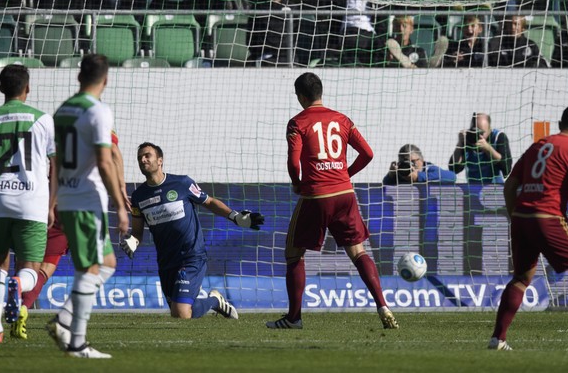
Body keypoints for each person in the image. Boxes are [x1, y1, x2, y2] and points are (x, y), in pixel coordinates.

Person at [266, 72, 398, 330]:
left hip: (317, 195)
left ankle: (294, 318)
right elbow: (368, 153)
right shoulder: (342, 119)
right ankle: (382, 304)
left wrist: (297, 182)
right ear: (320, 92)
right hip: (345, 195)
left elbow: (294, 161)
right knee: (358, 251)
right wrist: (346, 173)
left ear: (301, 96)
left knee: (293, 253)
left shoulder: (297, 123)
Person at [490, 105, 568, 352]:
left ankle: (498, 339)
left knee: (521, 278)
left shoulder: (538, 146)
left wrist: (515, 215)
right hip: (548, 217)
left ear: (560, 124)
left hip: (521, 216)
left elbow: (510, 185)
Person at [0, 64, 57, 345]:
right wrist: (51, 205)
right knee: (28, 268)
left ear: (0, 90)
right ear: (28, 88)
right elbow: (58, 166)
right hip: (32, 202)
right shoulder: (43, 120)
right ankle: (20, 284)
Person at [45, 54, 129, 359]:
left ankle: (63, 320)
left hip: (68, 197)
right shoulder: (98, 111)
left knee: (106, 264)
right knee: (89, 270)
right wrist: (120, 206)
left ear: (79, 76)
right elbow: (106, 162)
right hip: (86, 199)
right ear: (105, 80)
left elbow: (55, 162)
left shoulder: (62, 110)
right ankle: (77, 343)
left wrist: (53, 201)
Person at [121, 142, 261, 318]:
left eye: (147, 155)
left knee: (181, 312)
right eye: (140, 157)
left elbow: (209, 202)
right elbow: (138, 232)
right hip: (166, 260)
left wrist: (236, 217)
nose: (143, 159)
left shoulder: (182, 183)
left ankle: (215, 301)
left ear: (160, 160)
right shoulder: (138, 196)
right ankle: (215, 301)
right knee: (177, 312)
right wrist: (133, 242)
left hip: (191, 255)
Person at [449, 111, 512, 183]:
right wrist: (460, 144)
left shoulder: (498, 137)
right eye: (475, 131)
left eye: (482, 132)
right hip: (473, 189)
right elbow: (453, 169)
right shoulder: (468, 139)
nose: (478, 136)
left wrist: (488, 149)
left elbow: (507, 169)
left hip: (494, 189)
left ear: (489, 130)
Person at [249, 0, 292, 66]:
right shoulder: (258, 8)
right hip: (263, 55)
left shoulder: (292, 8)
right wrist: (255, 53)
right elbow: (251, 33)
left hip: (285, 56)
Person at [383, 144, 456, 185]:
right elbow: (385, 185)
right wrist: (391, 174)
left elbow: (452, 176)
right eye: (406, 162)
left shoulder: (428, 168)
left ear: (421, 159)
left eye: (413, 161)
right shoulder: (401, 172)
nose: (410, 165)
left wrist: (418, 177)